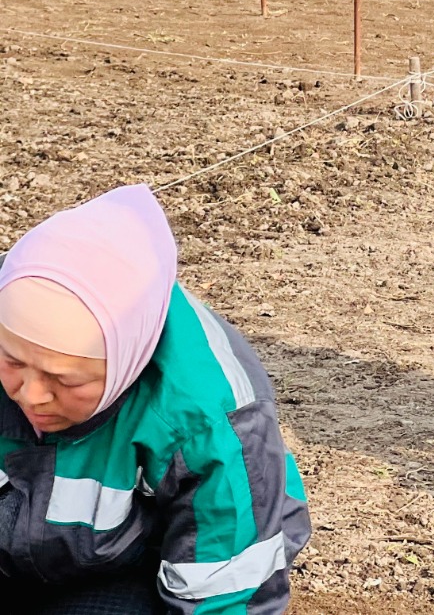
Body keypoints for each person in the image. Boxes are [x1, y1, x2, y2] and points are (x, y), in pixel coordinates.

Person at [0, 185, 310, 614]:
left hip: (121, 572)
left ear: (128, 359)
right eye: (12, 361)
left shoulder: (210, 417)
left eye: (65, 380)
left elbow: (223, 591)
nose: (32, 395)